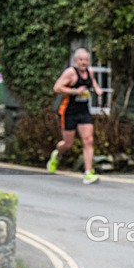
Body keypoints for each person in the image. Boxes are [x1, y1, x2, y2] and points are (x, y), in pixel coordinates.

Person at [46, 48, 104, 184]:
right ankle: (57, 154)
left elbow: (93, 81)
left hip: (83, 111)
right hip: (69, 111)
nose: (84, 62)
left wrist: (97, 89)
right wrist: (74, 91)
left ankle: (88, 172)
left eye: (86, 60)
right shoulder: (70, 73)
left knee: (88, 140)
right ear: (75, 60)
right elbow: (57, 87)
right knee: (68, 144)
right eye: (81, 60)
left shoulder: (90, 71)